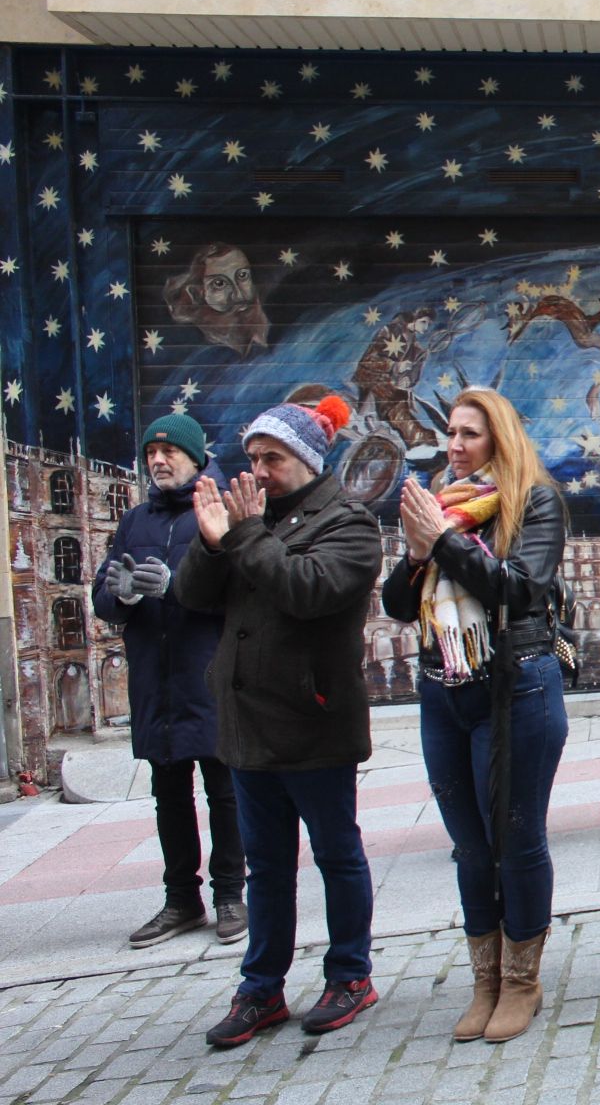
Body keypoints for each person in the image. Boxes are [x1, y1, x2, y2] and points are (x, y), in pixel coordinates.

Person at [174, 396, 384, 1048]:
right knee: (265, 865)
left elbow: (307, 590)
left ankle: (350, 974)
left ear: (307, 460)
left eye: (274, 458)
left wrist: (243, 535)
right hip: (246, 724)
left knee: (335, 854)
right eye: (254, 457)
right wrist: (214, 547)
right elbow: (190, 597)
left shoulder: (348, 522)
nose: (259, 470)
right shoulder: (248, 520)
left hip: (313, 721)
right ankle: (260, 988)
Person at [381, 387, 569, 1045]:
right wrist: (414, 553)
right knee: (469, 847)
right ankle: (484, 980)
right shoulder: (441, 508)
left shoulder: (534, 502)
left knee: (516, 841)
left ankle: (522, 980)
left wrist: (444, 543)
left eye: (469, 435)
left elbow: (519, 588)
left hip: (516, 686)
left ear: (500, 441)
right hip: (443, 690)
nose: (455, 447)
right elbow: (399, 608)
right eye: (451, 435)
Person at [92, 414, 246, 950]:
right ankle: (182, 899)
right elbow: (103, 595)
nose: (158, 460)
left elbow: (244, 589)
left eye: (169, 451)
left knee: (225, 790)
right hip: (156, 683)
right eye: (151, 452)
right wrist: (123, 596)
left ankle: (231, 894)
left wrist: (177, 588)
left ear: (196, 456)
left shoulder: (223, 507)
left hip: (209, 675)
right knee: (169, 794)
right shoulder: (136, 520)